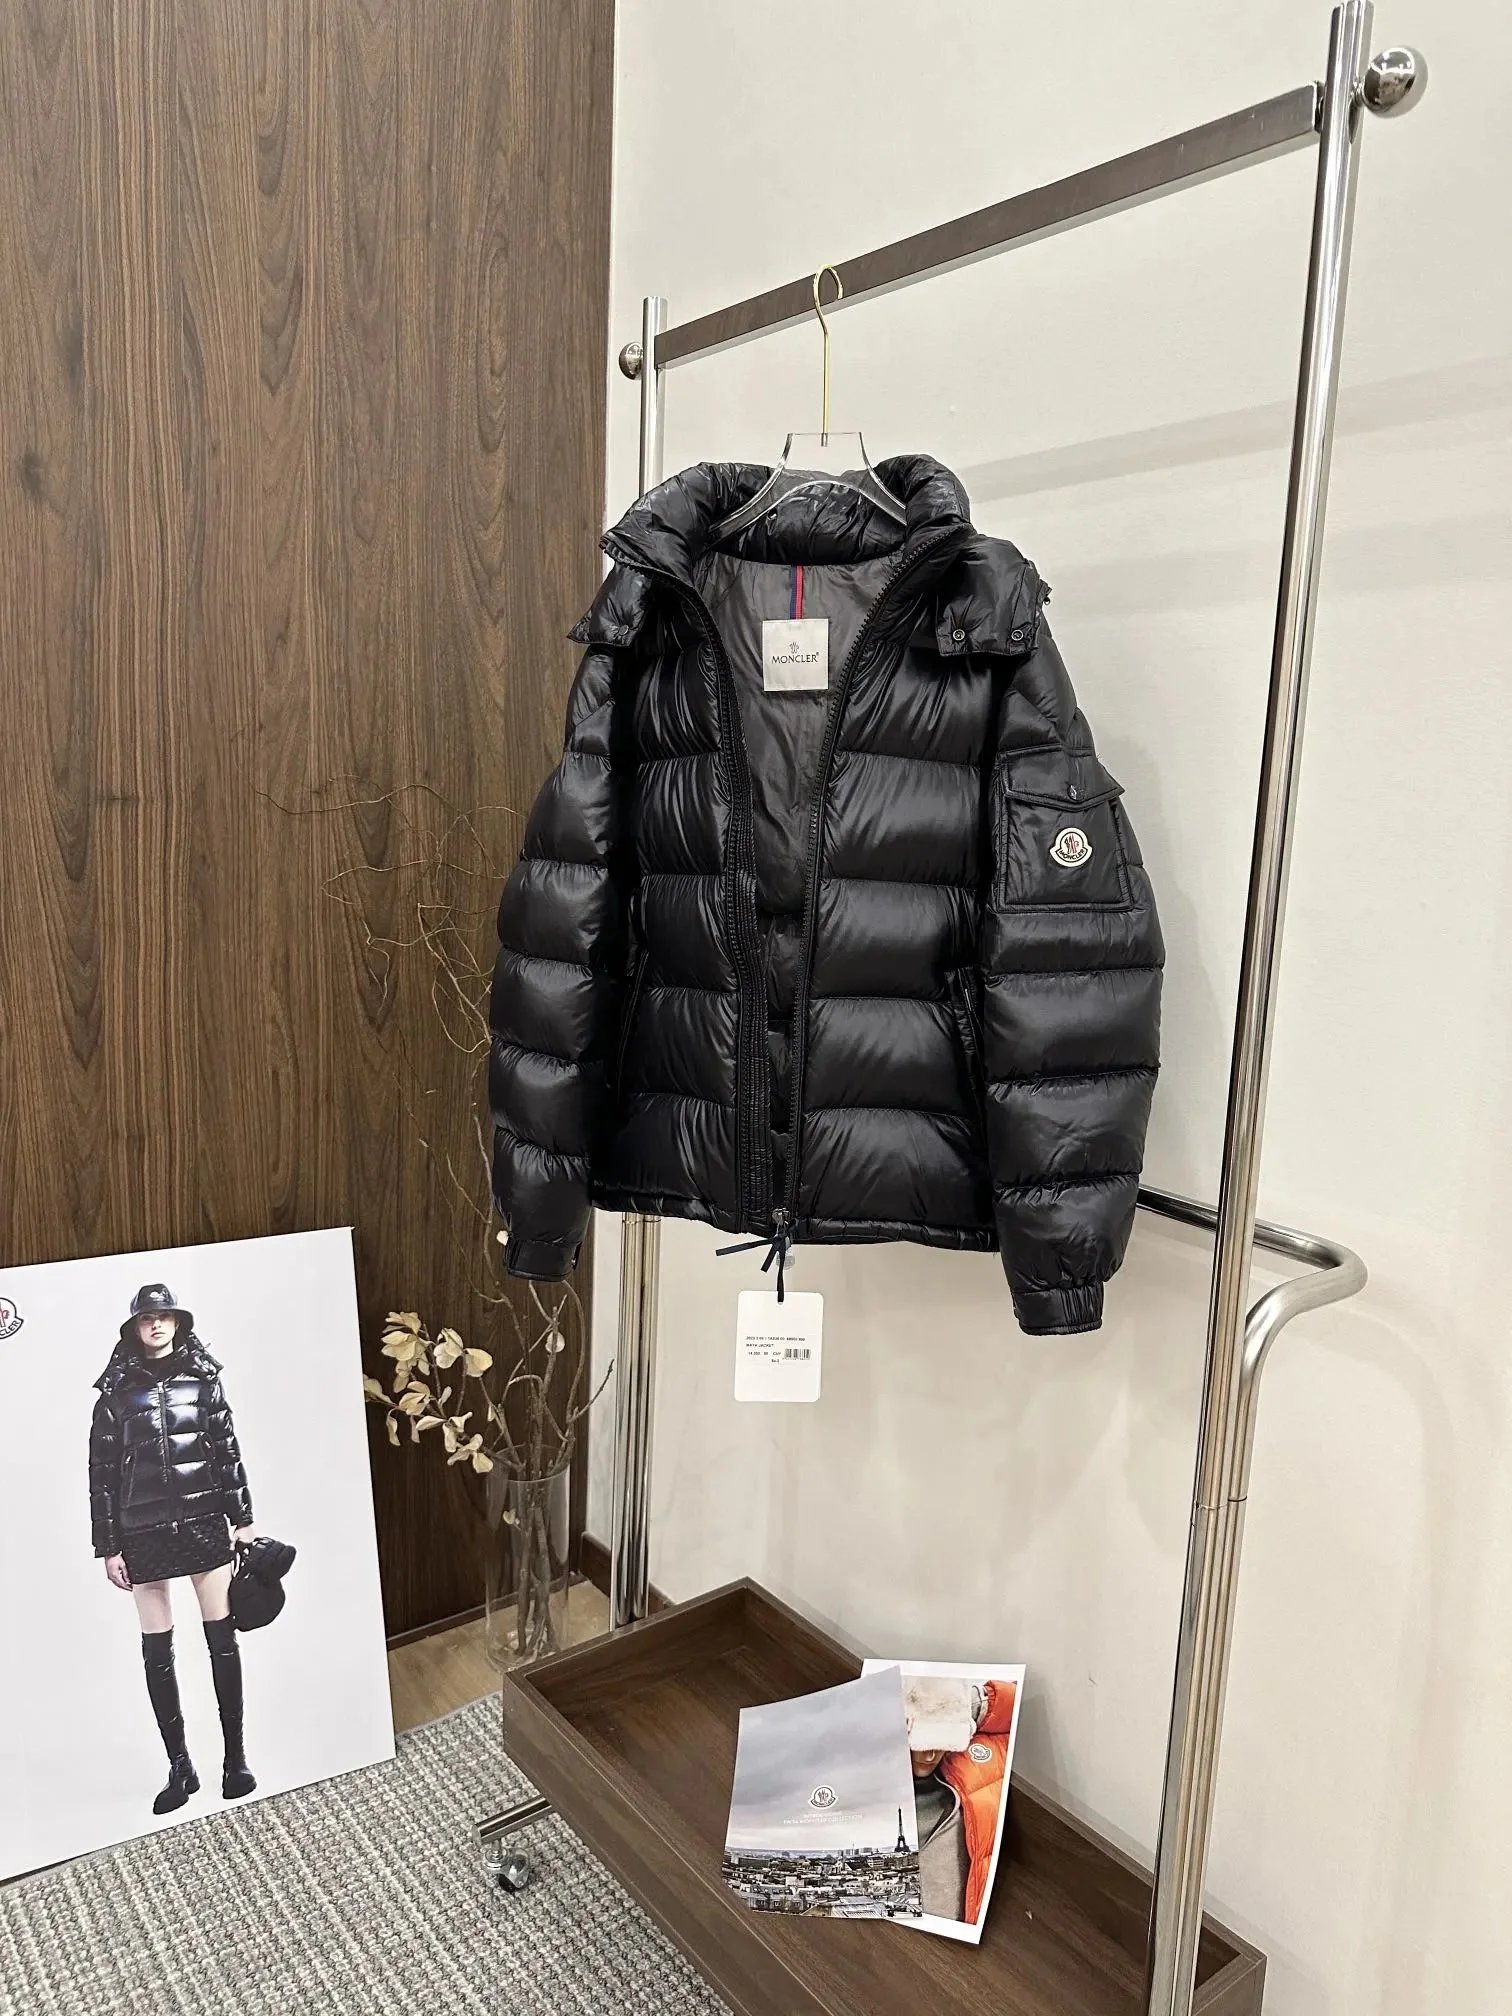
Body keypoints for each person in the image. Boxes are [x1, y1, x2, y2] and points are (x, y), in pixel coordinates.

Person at [88, 1283, 259, 1815]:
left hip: (204, 1522)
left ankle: (235, 1759)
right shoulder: (115, 1393)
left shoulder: (204, 1380)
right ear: (135, 1327)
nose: (156, 1325)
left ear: (178, 1322)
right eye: (147, 1318)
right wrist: (108, 1546)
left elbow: (227, 1451)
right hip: (141, 1533)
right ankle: (180, 1766)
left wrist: (243, 1520)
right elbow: (101, 1474)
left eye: (164, 1316)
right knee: (157, 1652)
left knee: (222, 1641)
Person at [904, 1673, 1018, 1925]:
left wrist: (968, 1704)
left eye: (942, 1741)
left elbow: (1022, 1706)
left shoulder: (978, 1753)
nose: (930, 1754)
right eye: (921, 1743)